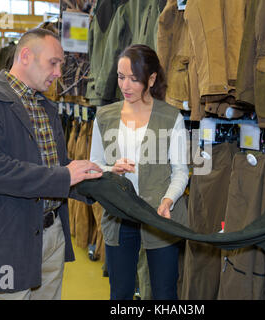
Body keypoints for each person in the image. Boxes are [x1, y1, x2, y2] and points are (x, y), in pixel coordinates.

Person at [0, 28, 102, 300]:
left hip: (52, 235)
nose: (60, 72)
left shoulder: (46, 107)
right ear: (25, 56)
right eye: (54, 62)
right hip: (10, 238)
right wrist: (63, 176)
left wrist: (95, 174)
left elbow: (53, 165)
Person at [90, 44, 189, 300]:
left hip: (159, 216)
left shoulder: (171, 117)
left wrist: (168, 200)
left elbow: (180, 170)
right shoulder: (104, 116)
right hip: (119, 215)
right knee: (120, 293)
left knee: (164, 293)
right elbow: (94, 165)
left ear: (152, 79)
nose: (126, 86)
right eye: (121, 77)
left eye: (134, 79)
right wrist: (111, 169)